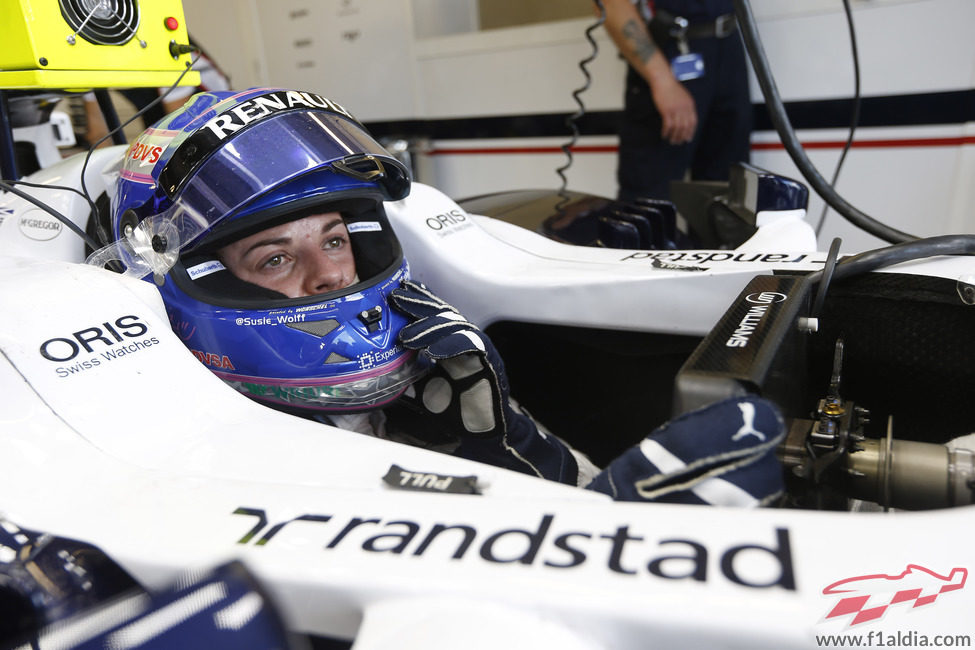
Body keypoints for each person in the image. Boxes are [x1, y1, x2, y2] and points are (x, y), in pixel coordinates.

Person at [98, 87, 784, 505]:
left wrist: (504, 446)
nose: (332, 276)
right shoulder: (208, 467)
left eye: (335, 239)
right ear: (201, 282)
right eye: (276, 257)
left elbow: (576, 492)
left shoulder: (436, 373)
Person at [601, 0, 752, 202]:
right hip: (669, 51)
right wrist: (662, 81)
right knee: (649, 200)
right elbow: (610, 4)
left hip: (729, 44)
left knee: (728, 198)